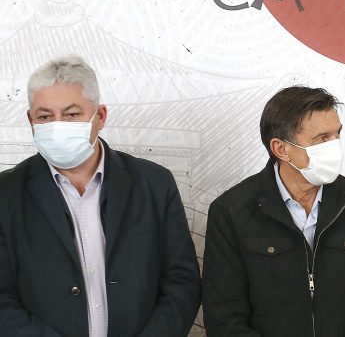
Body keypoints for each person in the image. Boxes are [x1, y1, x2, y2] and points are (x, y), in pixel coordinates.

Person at [0, 54, 201, 337]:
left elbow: (182, 282)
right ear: (31, 120)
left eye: (72, 114)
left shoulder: (154, 183)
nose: (58, 125)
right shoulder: (6, 194)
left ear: (100, 116)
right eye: (45, 117)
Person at [202, 86, 345, 337]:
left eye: (337, 134)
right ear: (281, 149)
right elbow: (224, 316)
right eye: (322, 138)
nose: (334, 146)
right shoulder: (231, 210)